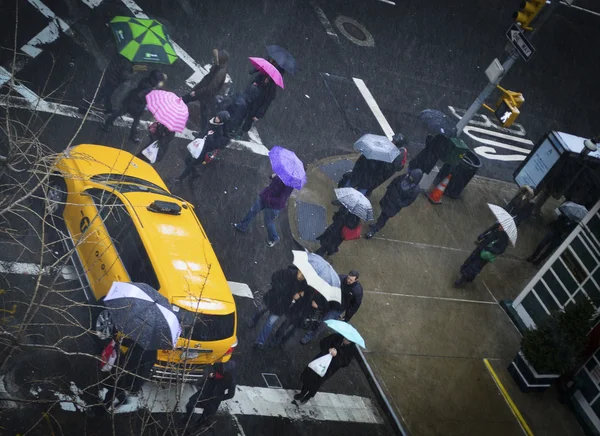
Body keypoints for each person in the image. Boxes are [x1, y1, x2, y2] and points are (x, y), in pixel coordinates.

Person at [248, 266, 308, 349]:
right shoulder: (288, 272)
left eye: (303, 276)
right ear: (298, 270)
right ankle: (253, 321)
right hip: (272, 298)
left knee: (269, 323)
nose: (301, 276)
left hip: (282, 306)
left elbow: (299, 298)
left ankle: (260, 342)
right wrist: (279, 289)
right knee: (260, 311)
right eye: (301, 273)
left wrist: (300, 295)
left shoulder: (303, 285)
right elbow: (275, 276)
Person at [103, 69, 167, 143]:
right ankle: (132, 135)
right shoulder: (149, 89)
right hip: (137, 104)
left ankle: (108, 123)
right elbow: (142, 96)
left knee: (121, 112)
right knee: (136, 119)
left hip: (131, 99)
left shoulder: (145, 81)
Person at [300, 270, 363, 344]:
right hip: (329, 301)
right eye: (348, 278)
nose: (348, 280)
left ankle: (309, 335)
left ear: (356, 280)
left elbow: (354, 306)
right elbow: (328, 287)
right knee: (315, 311)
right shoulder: (341, 278)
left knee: (323, 323)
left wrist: (347, 317)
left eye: (351, 280)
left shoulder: (357, 291)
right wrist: (318, 300)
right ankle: (311, 322)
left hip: (337, 308)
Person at [96, 338, 156, 414]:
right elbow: (131, 344)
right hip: (126, 370)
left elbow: (144, 367)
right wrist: (120, 340)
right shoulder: (146, 345)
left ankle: (101, 410)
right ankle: (117, 401)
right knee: (115, 387)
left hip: (129, 374)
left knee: (115, 387)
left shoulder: (148, 349)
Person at [232, 173, 294, 247]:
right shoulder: (281, 174)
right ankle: (242, 226)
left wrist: (269, 199)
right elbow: (275, 184)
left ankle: (274, 237)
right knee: (253, 211)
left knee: (268, 222)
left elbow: (281, 200)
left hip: (273, 206)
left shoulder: (290, 185)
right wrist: (273, 176)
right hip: (264, 197)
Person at [338, 134, 408, 197]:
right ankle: (342, 198)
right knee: (351, 185)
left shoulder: (395, 155)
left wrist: (380, 162)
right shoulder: (385, 146)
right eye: (393, 140)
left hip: (369, 177)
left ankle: (347, 202)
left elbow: (387, 170)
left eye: (394, 141)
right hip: (361, 172)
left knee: (359, 193)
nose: (392, 141)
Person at [294, 333, 356, 405]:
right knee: (309, 377)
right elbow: (323, 342)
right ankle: (302, 393)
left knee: (317, 382)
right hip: (320, 361)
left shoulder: (351, 349)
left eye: (348, 341)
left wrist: (336, 356)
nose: (345, 341)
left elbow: (345, 363)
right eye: (345, 338)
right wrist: (328, 349)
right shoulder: (337, 336)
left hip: (329, 369)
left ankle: (308, 396)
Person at [172, 111, 231, 182]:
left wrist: (209, 136)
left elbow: (213, 144)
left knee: (191, 163)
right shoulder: (211, 122)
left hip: (204, 150)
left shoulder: (219, 130)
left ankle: (180, 179)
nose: (217, 118)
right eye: (217, 116)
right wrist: (197, 138)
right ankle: (195, 173)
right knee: (187, 160)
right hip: (199, 146)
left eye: (219, 119)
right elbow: (203, 132)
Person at [366, 169, 423, 239]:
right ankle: (376, 225)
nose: (410, 178)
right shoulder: (405, 176)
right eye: (410, 176)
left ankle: (374, 230)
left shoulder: (415, 190)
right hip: (389, 197)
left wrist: (399, 203)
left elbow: (408, 201)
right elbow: (395, 180)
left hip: (394, 205)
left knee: (384, 217)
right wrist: (389, 188)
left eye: (412, 178)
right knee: (383, 212)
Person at [181, 49, 229, 133]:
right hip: (204, 92)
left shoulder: (220, 72)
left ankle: (203, 133)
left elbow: (210, 87)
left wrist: (196, 92)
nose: (214, 60)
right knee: (203, 113)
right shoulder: (219, 67)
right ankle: (203, 132)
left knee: (203, 114)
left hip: (205, 94)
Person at [185, 361, 236, 430]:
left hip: (214, 400)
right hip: (205, 392)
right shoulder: (218, 367)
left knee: (204, 418)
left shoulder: (231, 380)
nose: (223, 370)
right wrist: (210, 376)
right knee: (190, 404)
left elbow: (230, 395)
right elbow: (209, 370)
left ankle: (195, 429)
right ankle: (188, 419)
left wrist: (218, 398)